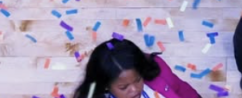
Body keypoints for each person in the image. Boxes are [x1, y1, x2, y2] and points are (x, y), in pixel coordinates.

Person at [71, 36, 204, 98]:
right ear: (106, 86)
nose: (135, 90)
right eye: (124, 87)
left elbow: (181, 89)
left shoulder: (157, 69)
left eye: (138, 79)